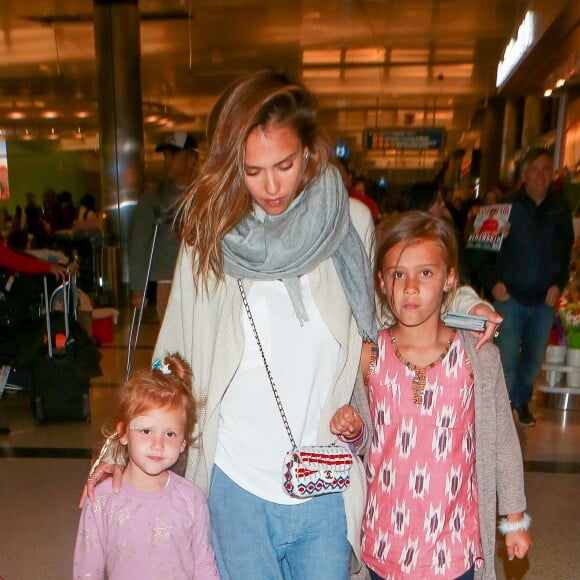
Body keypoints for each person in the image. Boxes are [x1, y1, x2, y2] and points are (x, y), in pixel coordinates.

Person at [85, 70, 500, 579]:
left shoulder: (349, 224)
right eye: (253, 170)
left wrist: (465, 301)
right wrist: (120, 453)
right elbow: (171, 361)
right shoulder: (208, 241)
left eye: (283, 164)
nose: (271, 186)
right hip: (235, 481)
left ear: (307, 150)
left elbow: (400, 290)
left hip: (322, 476)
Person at [359, 211, 531, 579]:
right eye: (397, 274)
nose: (410, 287)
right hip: (384, 544)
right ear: (381, 282)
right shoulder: (369, 356)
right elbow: (357, 438)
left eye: (426, 273)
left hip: (454, 546)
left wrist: (514, 517)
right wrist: (348, 426)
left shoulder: (478, 358)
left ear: (449, 278)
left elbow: (502, 440)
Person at [73, 353, 219, 579]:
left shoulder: (192, 500)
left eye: (170, 433)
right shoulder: (101, 500)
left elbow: (204, 565)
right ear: (122, 433)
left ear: (182, 443)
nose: (158, 444)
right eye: (146, 431)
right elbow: (87, 570)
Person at [481, 148, 574, 426]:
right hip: (509, 297)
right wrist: (492, 283)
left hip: (543, 300)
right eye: (535, 169)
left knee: (533, 361)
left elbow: (564, 251)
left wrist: (558, 284)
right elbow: (481, 252)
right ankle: (502, 413)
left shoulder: (560, 209)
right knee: (507, 359)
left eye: (547, 169)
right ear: (524, 174)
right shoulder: (504, 208)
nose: (541, 175)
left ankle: (521, 401)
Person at [129, 131, 199, 324]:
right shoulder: (154, 198)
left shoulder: (206, 196)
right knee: (169, 343)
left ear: (192, 159)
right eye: (166, 156)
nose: (168, 161)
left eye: (174, 155)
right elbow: (140, 241)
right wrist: (138, 287)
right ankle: (161, 357)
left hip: (200, 280)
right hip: (168, 280)